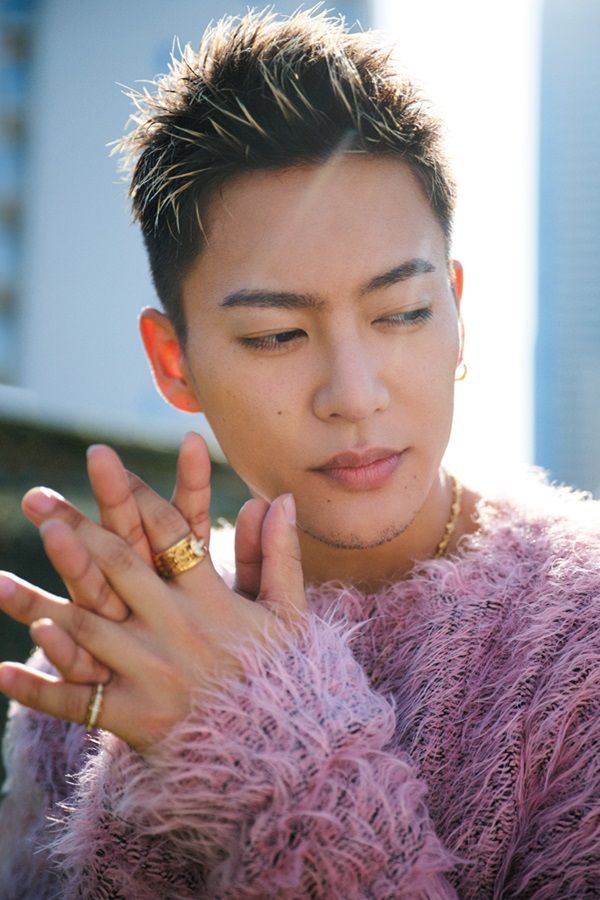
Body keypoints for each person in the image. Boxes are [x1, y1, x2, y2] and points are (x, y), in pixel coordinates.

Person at [0, 7, 598, 898]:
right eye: (276, 334)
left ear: (458, 314)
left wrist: (259, 746)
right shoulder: (101, 671)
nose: (353, 395)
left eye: (403, 314)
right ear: (174, 362)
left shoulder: (583, 641)